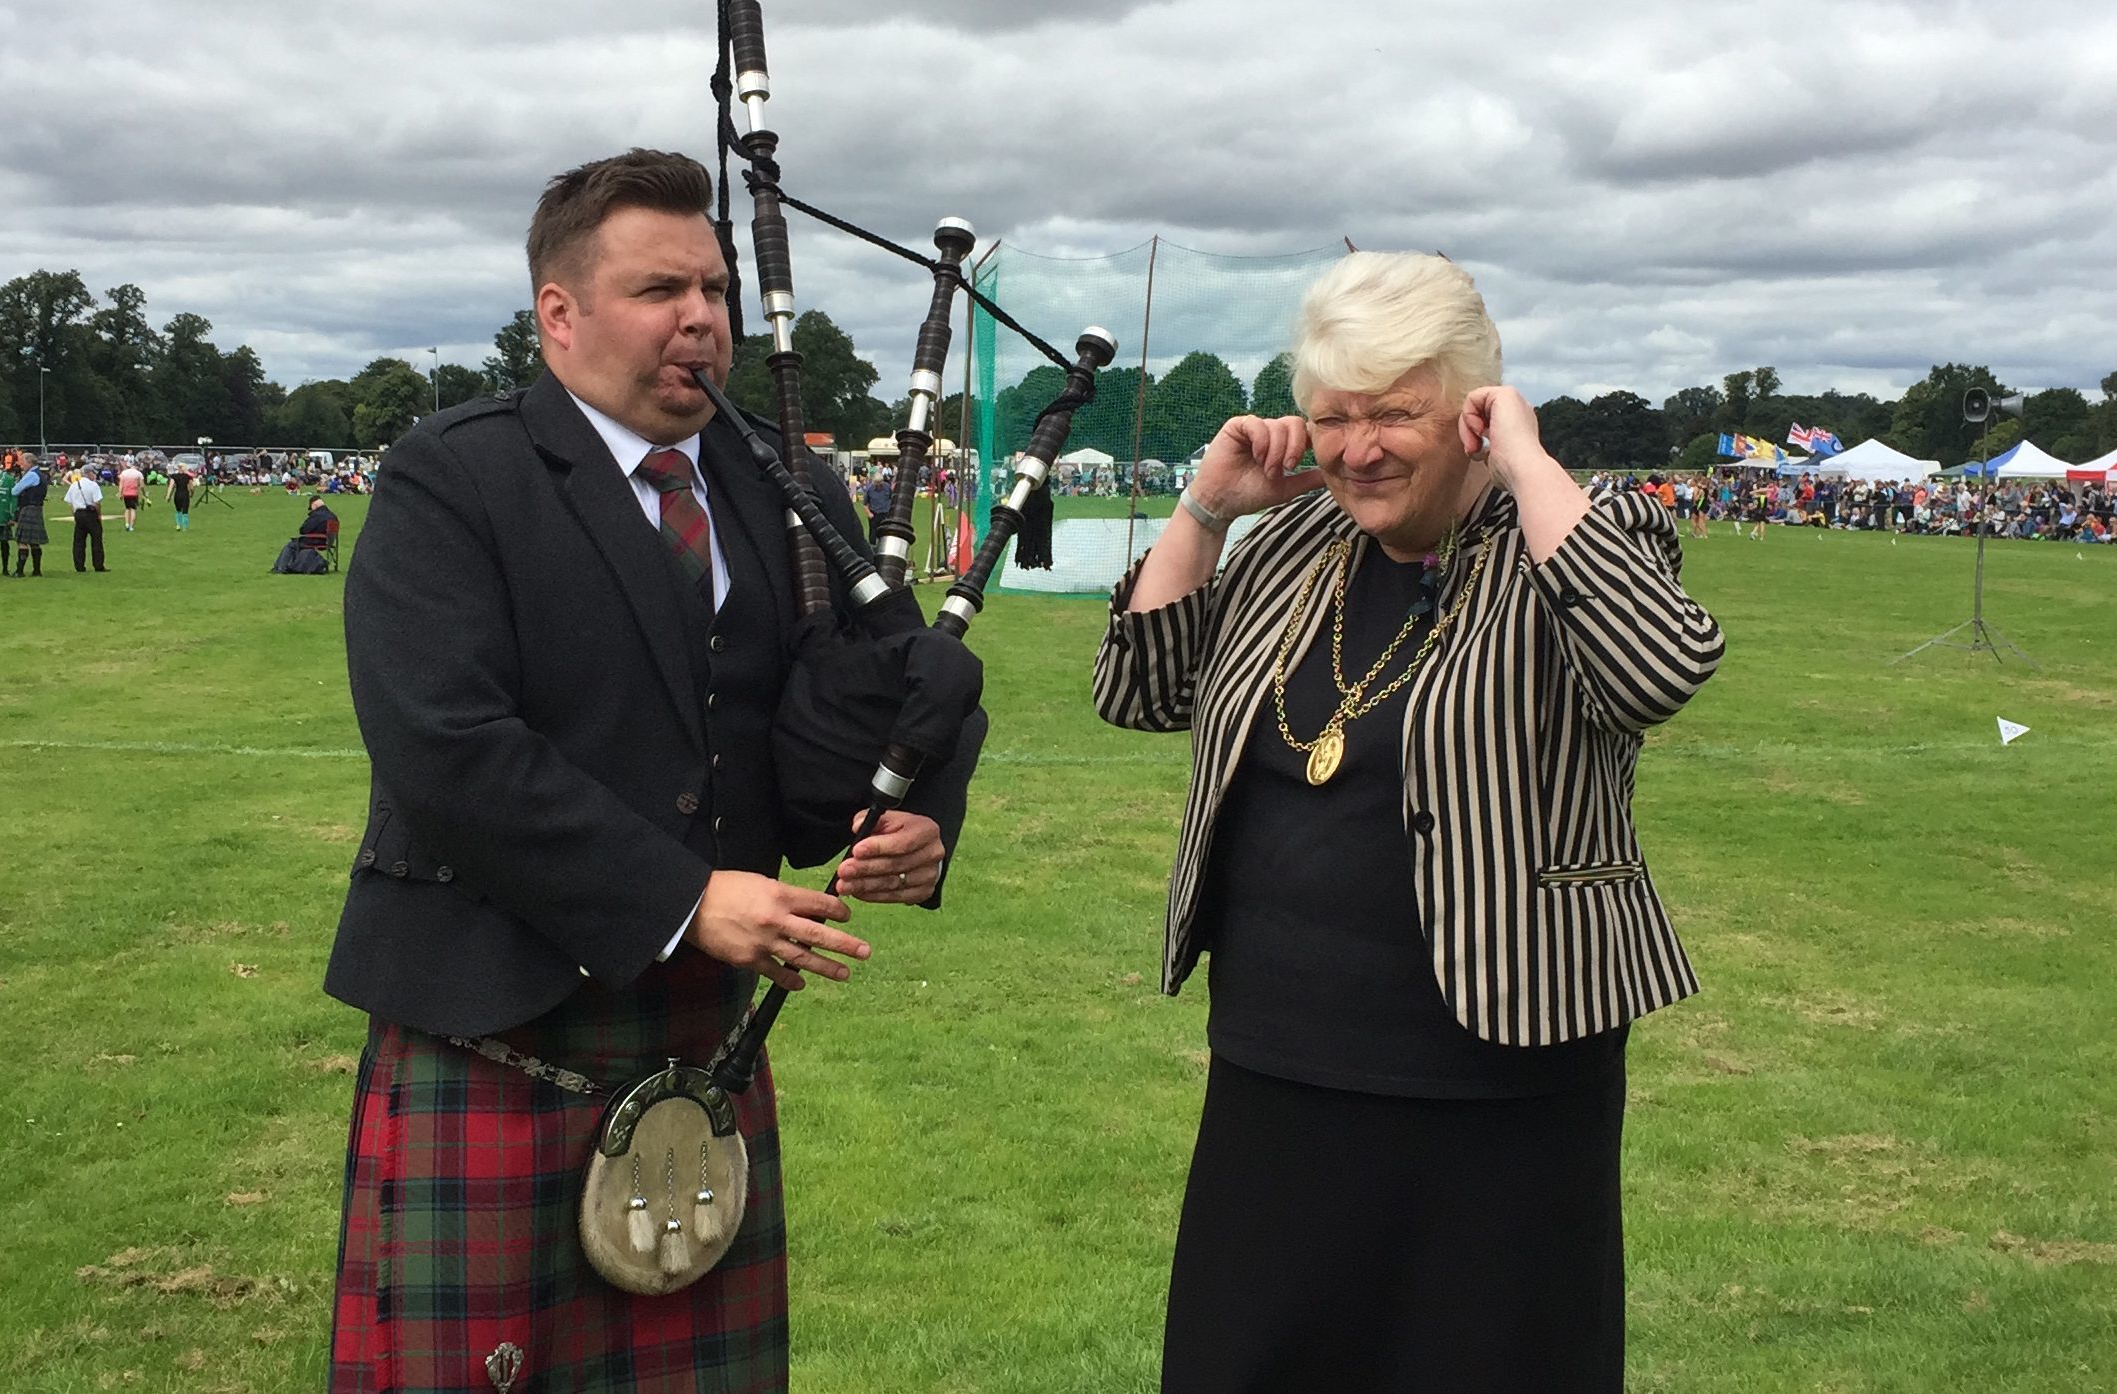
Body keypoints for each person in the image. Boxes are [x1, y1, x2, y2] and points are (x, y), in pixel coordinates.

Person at [323, 148, 973, 1394]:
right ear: (557, 315)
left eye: (716, 290)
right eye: (659, 289)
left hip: (692, 1042)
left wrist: (912, 818)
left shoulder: (785, 490)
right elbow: (444, 742)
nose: (703, 320)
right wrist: (686, 898)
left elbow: (885, 690)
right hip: (494, 1028)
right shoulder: (455, 475)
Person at [1092, 252, 1724, 1392]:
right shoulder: (1294, 540)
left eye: (1395, 412)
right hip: (1280, 1060)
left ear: (1474, 407)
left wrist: (1526, 460)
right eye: (1331, 416)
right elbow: (1137, 690)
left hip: (1502, 1069)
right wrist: (1205, 508)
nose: (1357, 446)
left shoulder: (1576, 532)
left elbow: (1655, 668)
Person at [10, 452, 50, 575]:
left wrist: (17, 482)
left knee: (22, 541)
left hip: (28, 508)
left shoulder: (31, 475)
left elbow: (15, 491)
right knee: (34, 542)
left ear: (29, 462)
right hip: (37, 508)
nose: (21, 465)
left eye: (22, 462)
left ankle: (20, 571)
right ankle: (36, 571)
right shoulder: (41, 474)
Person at [65, 468, 108, 572]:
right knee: (96, 540)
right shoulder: (93, 485)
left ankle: (79, 565)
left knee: (79, 541)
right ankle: (98, 565)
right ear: (89, 473)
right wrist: (99, 515)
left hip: (79, 513)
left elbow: (69, 502)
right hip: (91, 514)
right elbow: (97, 502)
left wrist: (74, 514)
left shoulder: (74, 485)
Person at [166, 460, 194, 530]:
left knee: (178, 510)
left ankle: (178, 525)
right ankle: (184, 527)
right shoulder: (188, 477)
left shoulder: (174, 476)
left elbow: (171, 486)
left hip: (177, 494)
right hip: (185, 494)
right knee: (185, 511)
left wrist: (168, 496)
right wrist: (192, 493)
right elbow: (191, 487)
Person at [118, 458, 144, 530]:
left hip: (126, 493)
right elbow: (142, 486)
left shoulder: (124, 473)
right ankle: (131, 526)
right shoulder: (138, 473)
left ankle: (126, 523)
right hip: (134, 494)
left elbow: (121, 485)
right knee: (133, 509)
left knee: (127, 509)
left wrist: (120, 493)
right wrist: (144, 493)